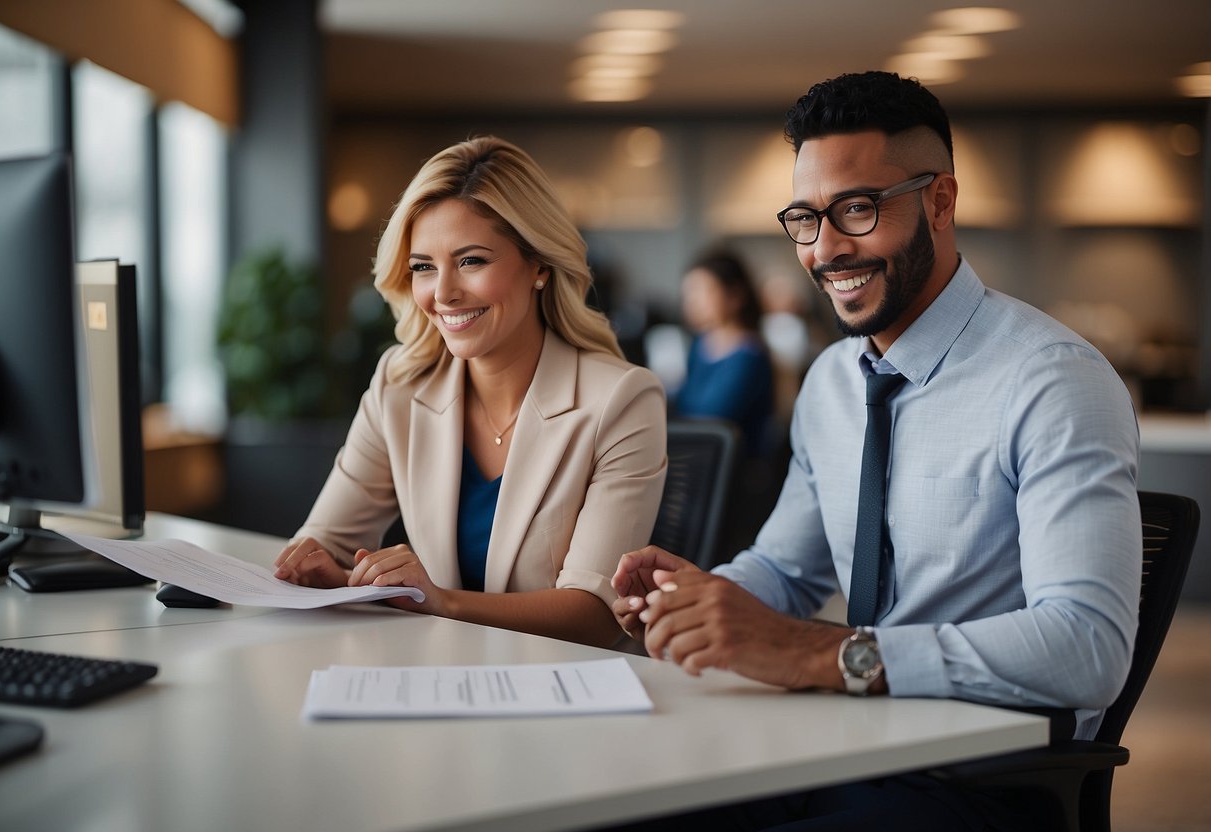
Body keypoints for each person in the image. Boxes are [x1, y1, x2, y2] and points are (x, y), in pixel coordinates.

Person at [611, 71, 1141, 829]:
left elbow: (1086, 647)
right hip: (844, 741)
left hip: (980, 779)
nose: (825, 249)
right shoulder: (831, 382)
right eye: (805, 218)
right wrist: (696, 604)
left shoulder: (1052, 382)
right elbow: (786, 571)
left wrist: (816, 656)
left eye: (856, 210)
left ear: (940, 202)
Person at [274, 136, 667, 649]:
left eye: (472, 261)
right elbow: (325, 544)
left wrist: (440, 600)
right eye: (423, 267)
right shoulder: (400, 383)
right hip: (440, 674)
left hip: (564, 691)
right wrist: (322, 573)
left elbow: (595, 614)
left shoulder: (622, 399)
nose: (442, 294)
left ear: (539, 265)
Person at [673, 249, 775, 457]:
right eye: (689, 293)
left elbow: (712, 418)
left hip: (731, 469)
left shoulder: (749, 355)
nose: (692, 302)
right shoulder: (700, 344)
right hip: (696, 459)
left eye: (703, 291)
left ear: (735, 296)